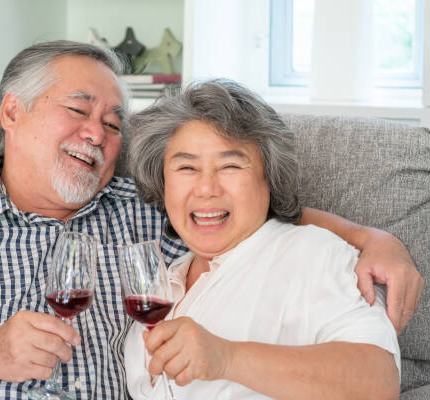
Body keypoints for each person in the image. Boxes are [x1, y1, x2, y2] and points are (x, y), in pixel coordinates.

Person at [0, 41, 421, 399]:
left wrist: (371, 237)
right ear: (12, 110)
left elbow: (236, 214)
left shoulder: (141, 211)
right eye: (78, 110)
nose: (97, 133)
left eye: (114, 123)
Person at [124, 79, 402, 399]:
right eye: (186, 167)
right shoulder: (161, 285)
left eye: (230, 165)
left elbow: (378, 384)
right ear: (163, 184)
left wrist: (227, 358)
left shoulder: (313, 253)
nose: (206, 189)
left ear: (268, 179)